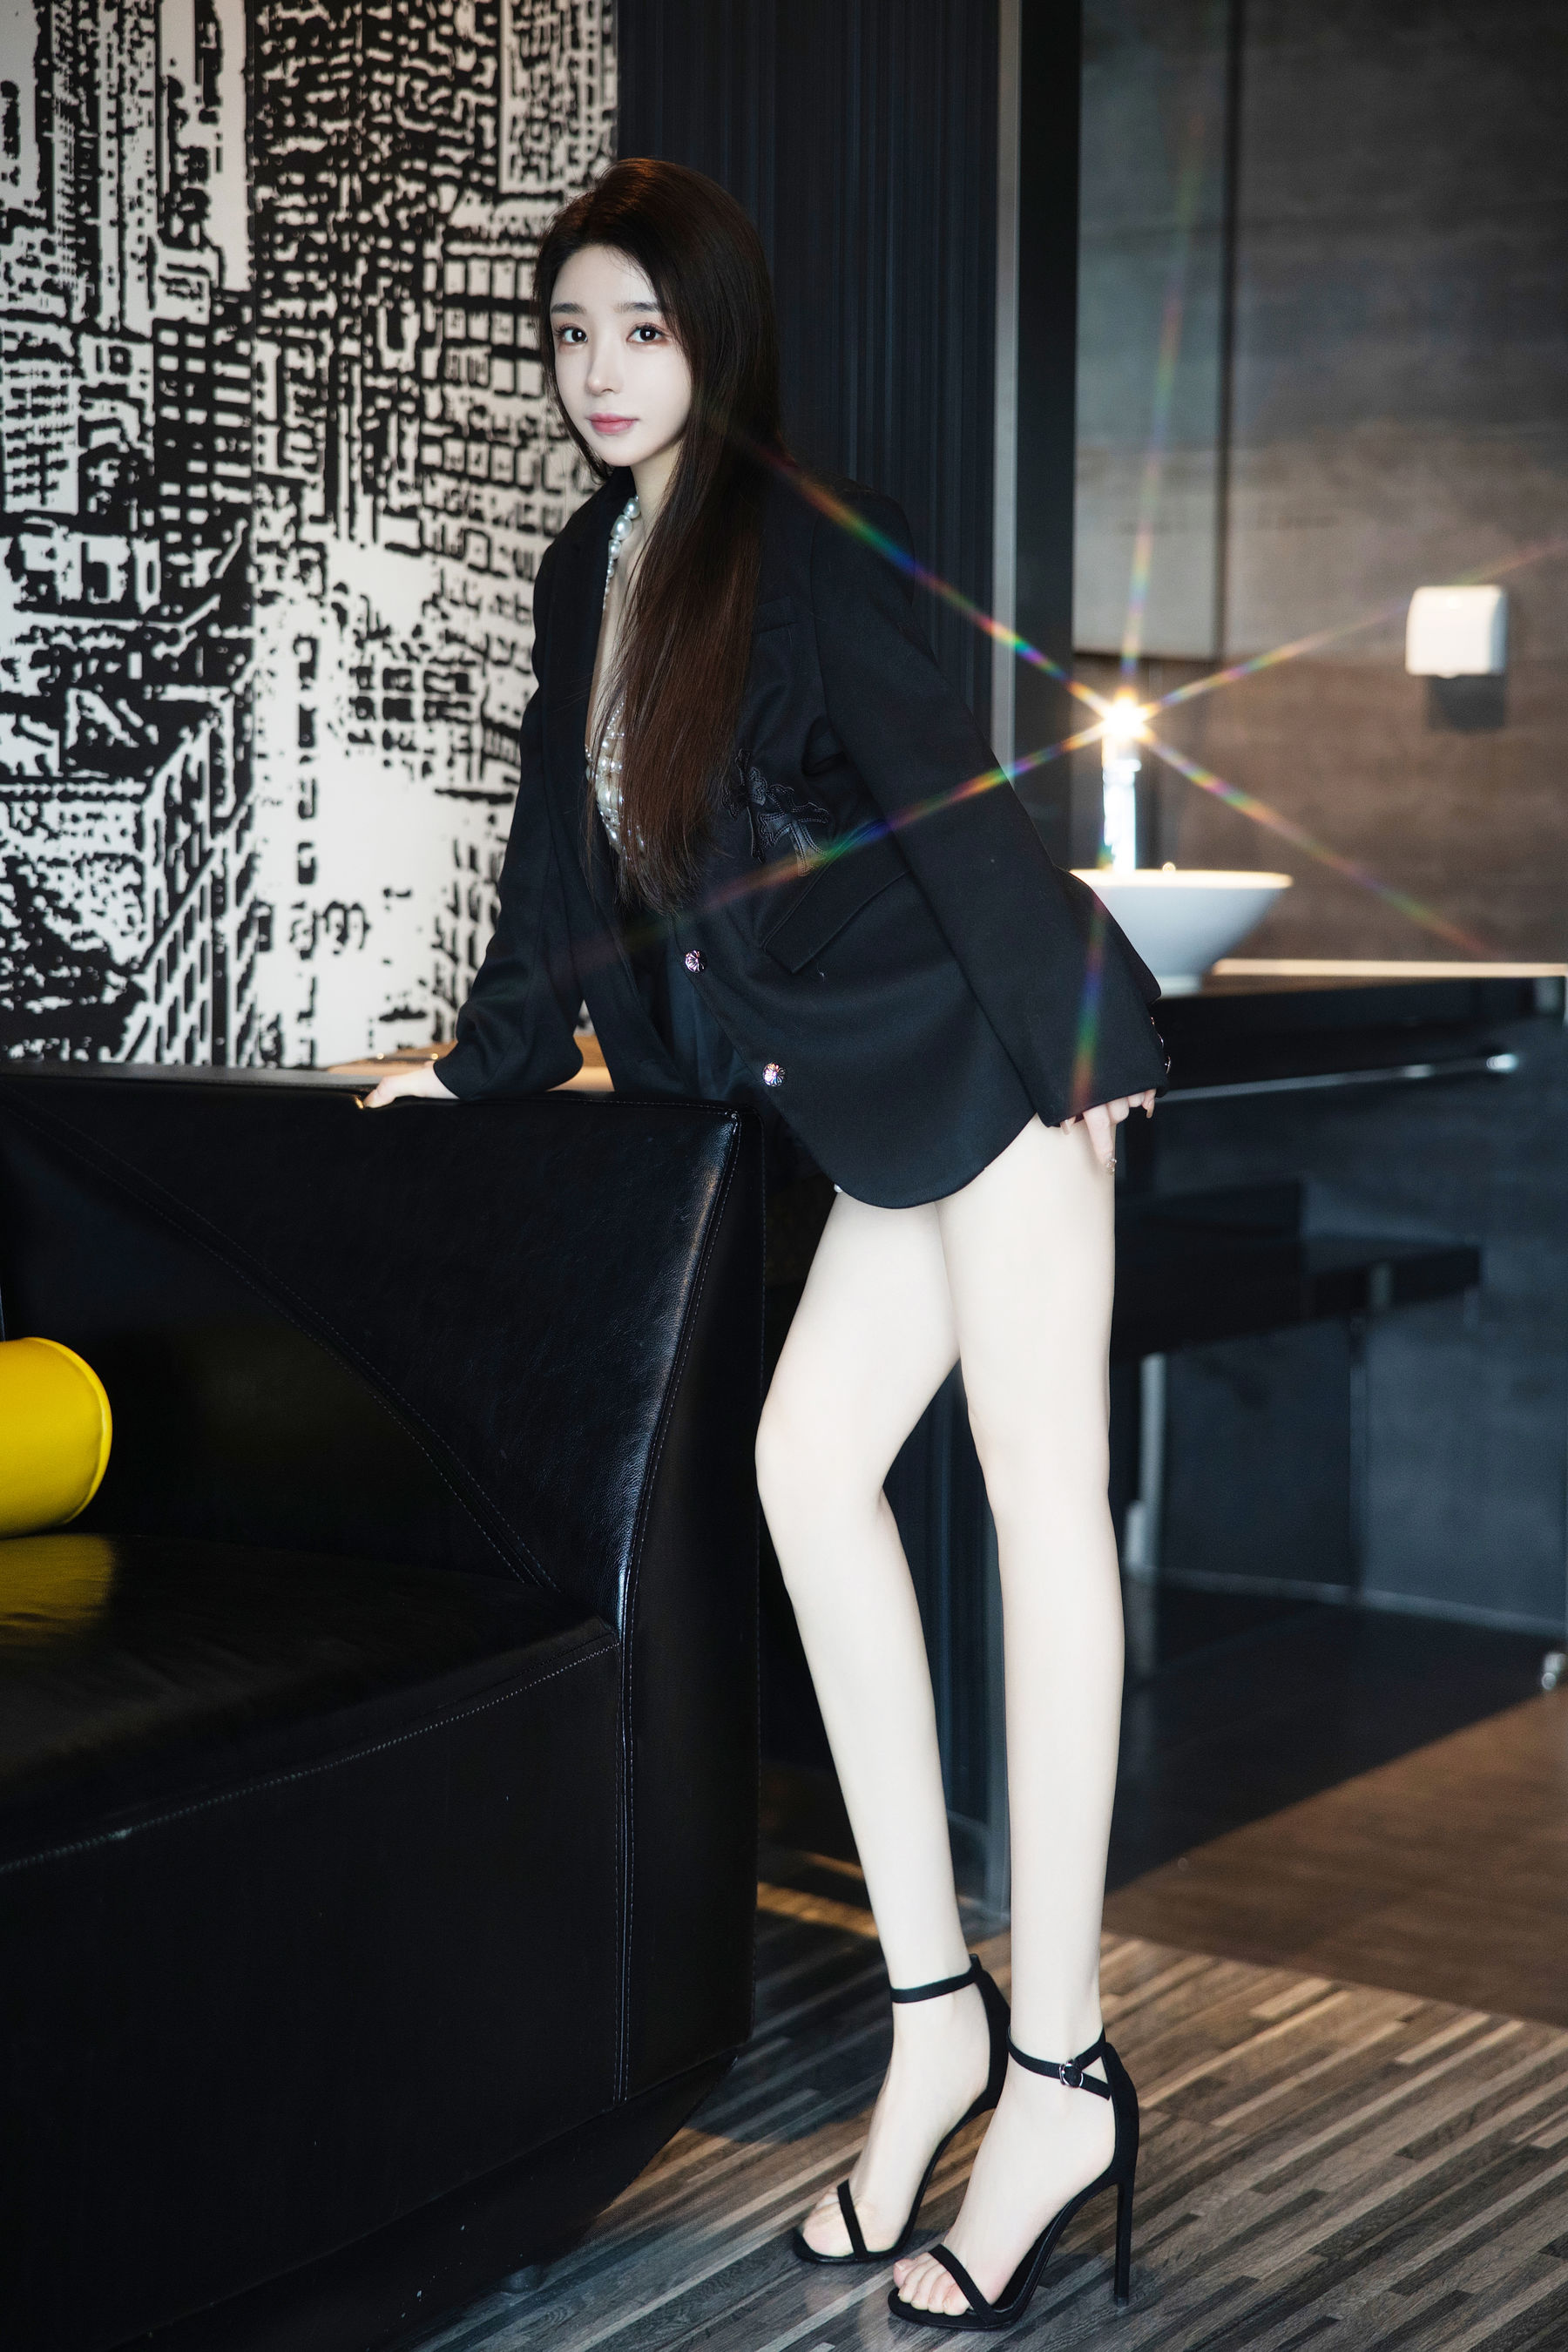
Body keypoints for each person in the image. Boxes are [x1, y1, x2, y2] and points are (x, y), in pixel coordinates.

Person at [367, 158, 1160, 2329]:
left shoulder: (804, 539)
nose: (601, 372)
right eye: (571, 335)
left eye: (642, 328)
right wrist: (479, 1067)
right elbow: (557, 865)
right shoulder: (590, 571)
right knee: (806, 1471)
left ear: (715, 335)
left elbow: (954, 797)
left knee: (1039, 1509)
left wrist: (1084, 1042)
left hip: (992, 1057)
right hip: (871, 1107)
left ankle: (1061, 2073)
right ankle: (934, 2032)